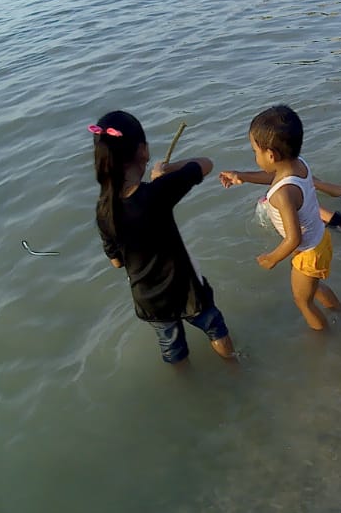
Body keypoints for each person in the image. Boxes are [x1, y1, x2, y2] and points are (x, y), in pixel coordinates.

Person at [90, 110, 236, 366]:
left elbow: (116, 262)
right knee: (214, 326)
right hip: (184, 287)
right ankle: (235, 370)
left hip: (148, 297)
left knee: (171, 347)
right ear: (143, 151)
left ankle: (185, 385)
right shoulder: (158, 192)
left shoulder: (103, 209)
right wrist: (167, 170)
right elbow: (205, 164)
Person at [218, 105, 341, 331]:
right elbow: (273, 176)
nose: (254, 156)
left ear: (271, 155)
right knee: (313, 288)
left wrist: (272, 258)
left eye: (254, 152)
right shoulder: (298, 164)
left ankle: (326, 338)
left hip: (308, 251)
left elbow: (293, 238)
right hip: (318, 240)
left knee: (303, 301)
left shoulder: (282, 194)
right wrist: (242, 176)